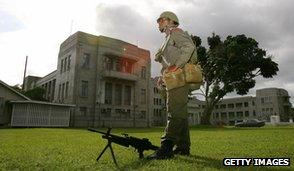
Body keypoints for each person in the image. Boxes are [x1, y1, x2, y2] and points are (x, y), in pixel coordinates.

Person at [147, 11, 197, 159]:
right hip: (173, 78)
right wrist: (163, 77)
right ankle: (183, 147)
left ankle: (166, 148)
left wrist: (177, 65)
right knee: (179, 112)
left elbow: (189, 47)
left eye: (160, 20)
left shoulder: (176, 33)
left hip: (179, 77)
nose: (158, 23)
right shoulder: (168, 38)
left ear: (170, 21)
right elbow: (167, 62)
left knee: (174, 111)